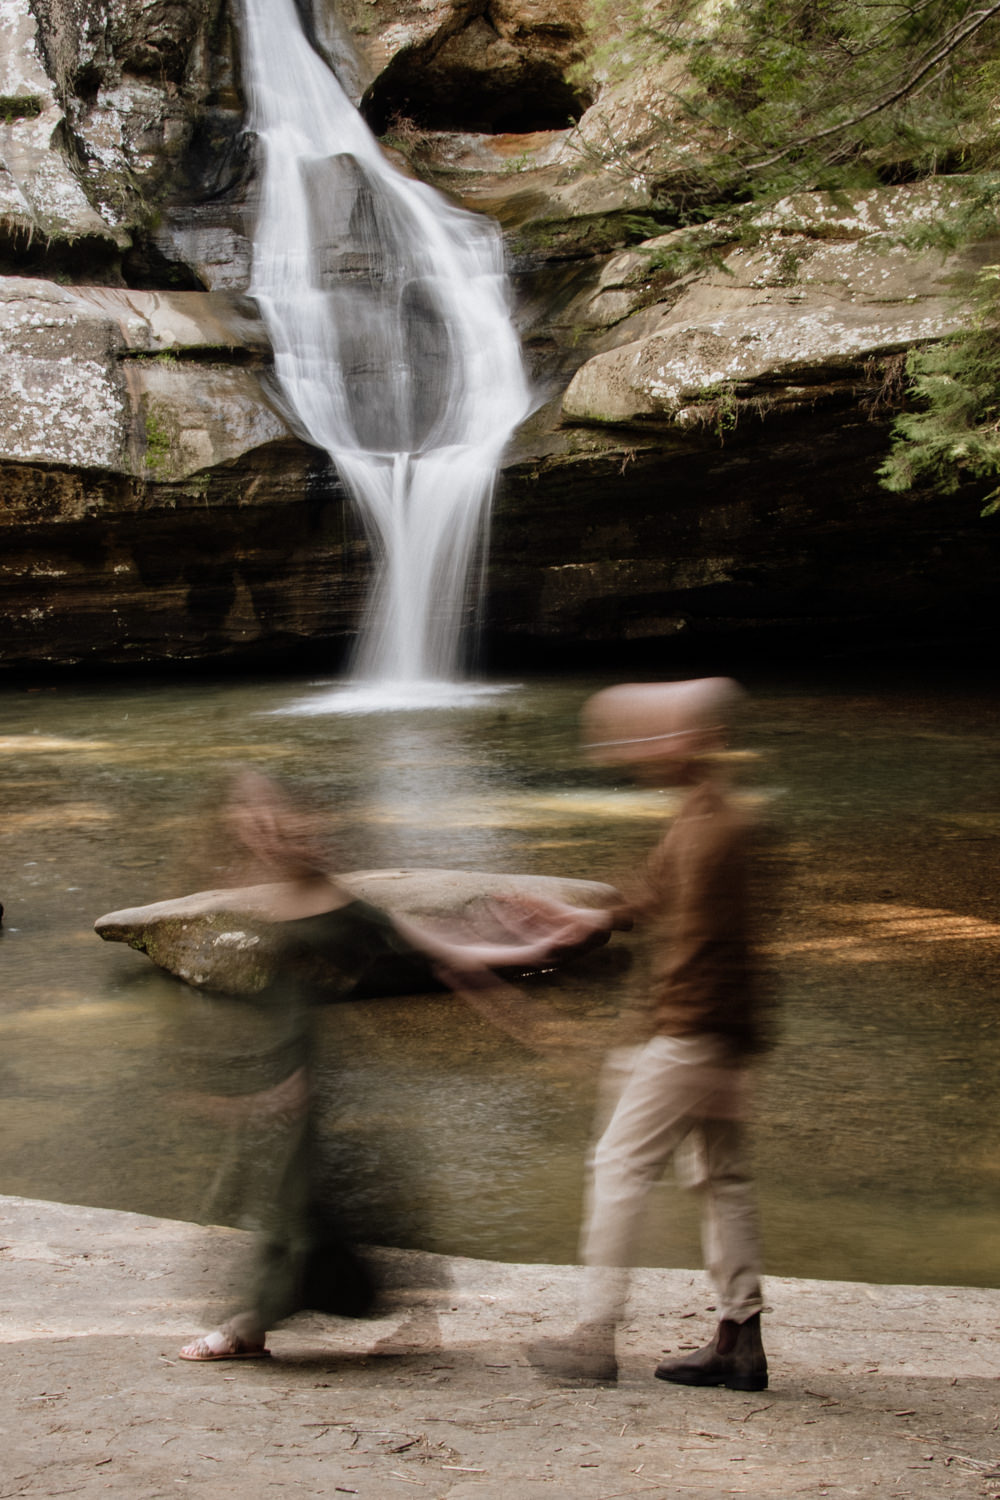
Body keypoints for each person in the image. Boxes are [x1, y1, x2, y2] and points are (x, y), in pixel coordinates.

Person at [179, 770, 613, 1362]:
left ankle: (251, 1323)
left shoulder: (339, 906)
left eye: (276, 815)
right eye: (251, 816)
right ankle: (315, 1310)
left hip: (315, 1077)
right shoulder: (252, 892)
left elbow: (442, 956)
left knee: (301, 1202)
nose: (266, 827)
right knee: (298, 1198)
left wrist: (535, 965)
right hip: (279, 1069)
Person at [528, 678, 770, 1390]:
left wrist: (693, 1046)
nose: (637, 751)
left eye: (655, 737)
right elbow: (662, 891)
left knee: (618, 1166)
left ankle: (593, 1338)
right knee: (722, 1177)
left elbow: (710, 949)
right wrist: (593, 918)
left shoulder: (718, 828)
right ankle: (739, 1340)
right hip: (715, 1031)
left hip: (694, 1029)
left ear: (695, 741)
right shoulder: (705, 812)